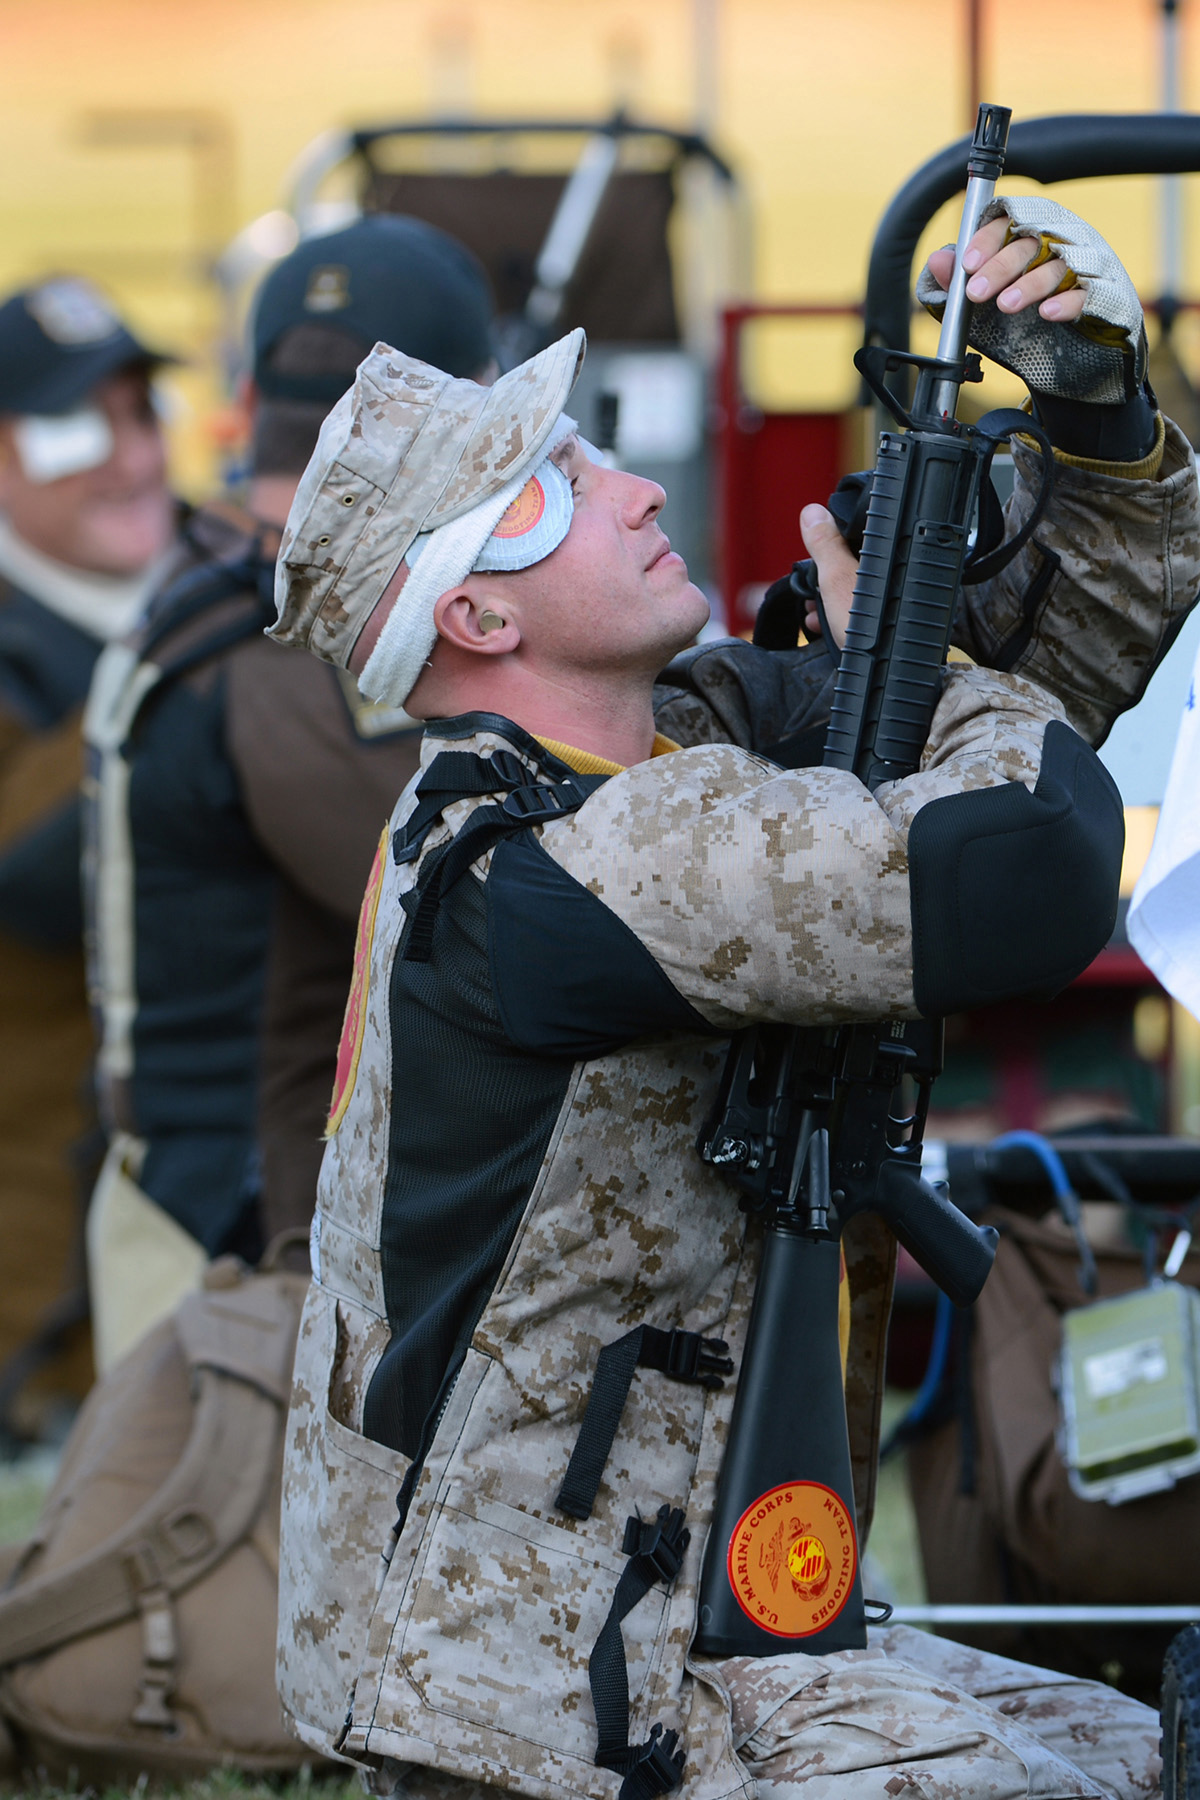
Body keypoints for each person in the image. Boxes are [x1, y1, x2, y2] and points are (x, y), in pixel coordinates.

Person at [271, 197, 1200, 1800]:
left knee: (1135, 1749)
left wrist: (1095, 417)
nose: (631, 486)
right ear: (476, 615)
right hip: (533, 1702)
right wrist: (919, 674)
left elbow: (1040, 677)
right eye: (556, 485)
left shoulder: (668, 748)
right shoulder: (544, 865)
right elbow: (1028, 856)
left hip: (674, 1617)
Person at [83, 213, 498, 1372]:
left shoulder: (215, 583)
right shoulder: (284, 651)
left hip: (195, 1195)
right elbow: (479, 896)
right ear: (443, 409)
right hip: (238, 1237)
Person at [0, 278, 176, 1433]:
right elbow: (30, 884)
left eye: (142, 411)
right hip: (45, 1303)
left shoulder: (208, 577)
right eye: (75, 424)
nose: (130, 459)